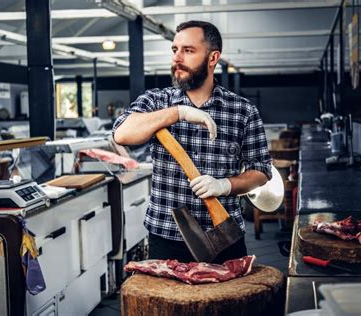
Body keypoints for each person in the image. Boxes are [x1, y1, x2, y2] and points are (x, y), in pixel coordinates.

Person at [113, 20, 272, 264]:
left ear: (213, 57)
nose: (178, 58)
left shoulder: (243, 110)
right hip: (167, 238)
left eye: (188, 50)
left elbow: (261, 170)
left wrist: (225, 185)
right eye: (175, 50)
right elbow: (121, 133)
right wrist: (178, 113)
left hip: (225, 235)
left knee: (229, 301)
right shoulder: (156, 102)